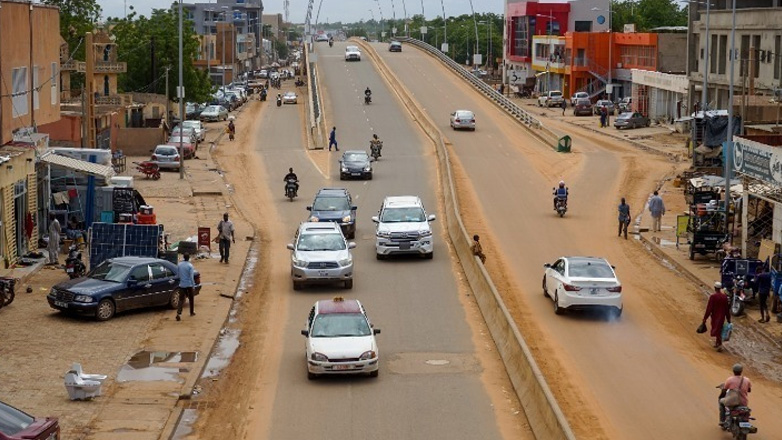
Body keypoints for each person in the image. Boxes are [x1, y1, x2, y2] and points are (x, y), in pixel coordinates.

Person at [702, 281, 731, 352]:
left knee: (716, 330)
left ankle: (720, 345)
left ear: (715, 288)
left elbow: (709, 308)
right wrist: (728, 318)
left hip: (715, 316)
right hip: (722, 316)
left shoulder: (713, 297)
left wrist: (705, 318)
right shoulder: (724, 297)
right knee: (719, 329)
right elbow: (727, 309)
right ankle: (717, 343)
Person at [176, 253, 196, 321]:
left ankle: (178, 313)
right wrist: (193, 285)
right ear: (188, 258)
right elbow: (191, 277)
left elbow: (178, 275)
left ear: (183, 257)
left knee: (181, 299)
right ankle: (191, 312)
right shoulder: (190, 266)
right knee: (191, 299)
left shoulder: (179, 265)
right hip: (189, 285)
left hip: (182, 285)